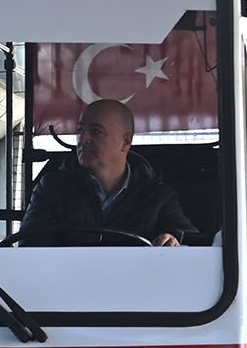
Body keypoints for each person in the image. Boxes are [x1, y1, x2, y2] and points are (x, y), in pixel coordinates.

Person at [20, 99, 198, 246]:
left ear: (126, 141)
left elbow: (189, 242)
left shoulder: (158, 197)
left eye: (96, 132)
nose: (84, 139)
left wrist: (174, 241)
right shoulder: (52, 189)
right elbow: (29, 247)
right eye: (80, 130)